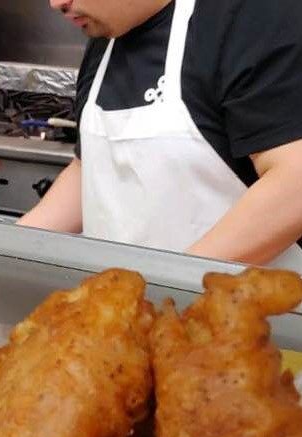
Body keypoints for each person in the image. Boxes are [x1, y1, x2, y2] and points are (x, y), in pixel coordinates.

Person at [18, 0, 302, 271]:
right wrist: (9, 248)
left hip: (246, 313)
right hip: (138, 310)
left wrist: (169, 284)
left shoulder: (248, 19)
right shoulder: (107, 35)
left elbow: (294, 182)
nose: (55, 4)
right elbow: (90, 169)